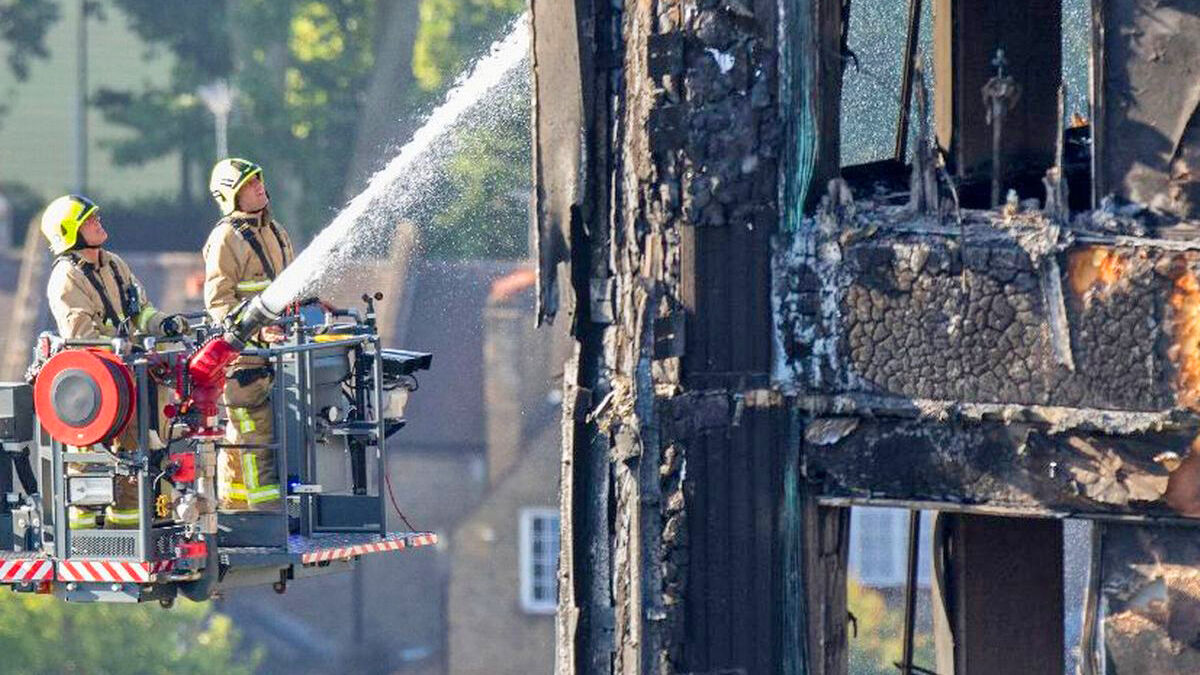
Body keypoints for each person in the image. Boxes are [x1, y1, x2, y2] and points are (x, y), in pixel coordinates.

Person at [42, 194, 184, 529]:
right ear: (70, 232)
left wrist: (163, 323)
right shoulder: (66, 277)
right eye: (88, 220)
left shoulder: (115, 264)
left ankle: (130, 529)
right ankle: (85, 535)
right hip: (91, 387)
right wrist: (123, 348)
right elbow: (82, 334)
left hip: (127, 376)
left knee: (135, 454)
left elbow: (140, 310)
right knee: (89, 461)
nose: (97, 222)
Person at [203, 158, 295, 511]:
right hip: (245, 362)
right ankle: (254, 513)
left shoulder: (276, 230)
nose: (259, 186)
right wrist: (256, 337)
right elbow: (219, 304)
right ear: (232, 196)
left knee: (270, 434)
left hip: (277, 355)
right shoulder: (226, 238)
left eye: (259, 179)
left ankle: (252, 508)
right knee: (251, 438)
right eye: (249, 184)